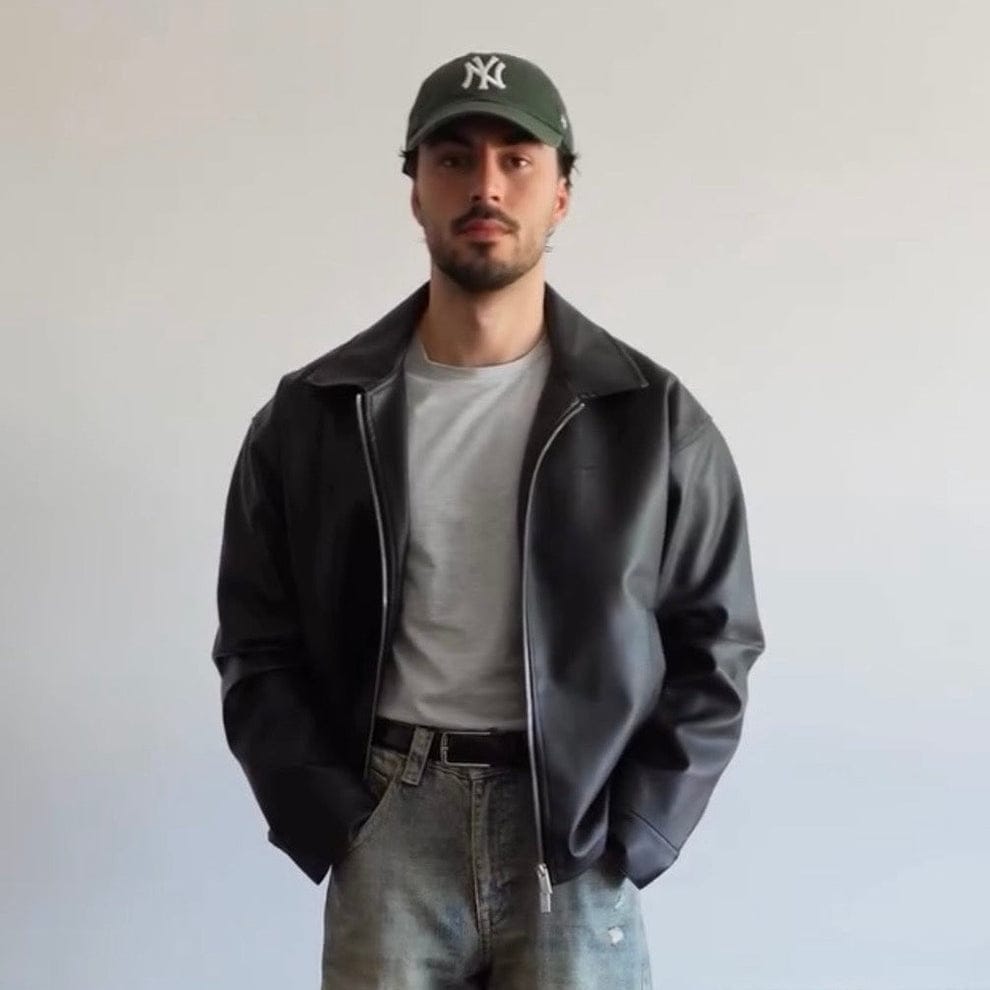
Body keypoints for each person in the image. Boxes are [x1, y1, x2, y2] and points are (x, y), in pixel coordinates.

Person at [212, 51, 765, 989]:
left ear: (561, 196)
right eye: (454, 159)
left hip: (572, 836)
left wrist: (638, 827)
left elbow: (718, 643)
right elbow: (256, 641)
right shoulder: (316, 415)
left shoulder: (651, 419)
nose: (486, 186)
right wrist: (326, 814)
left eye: (517, 159)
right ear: (415, 192)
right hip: (388, 818)